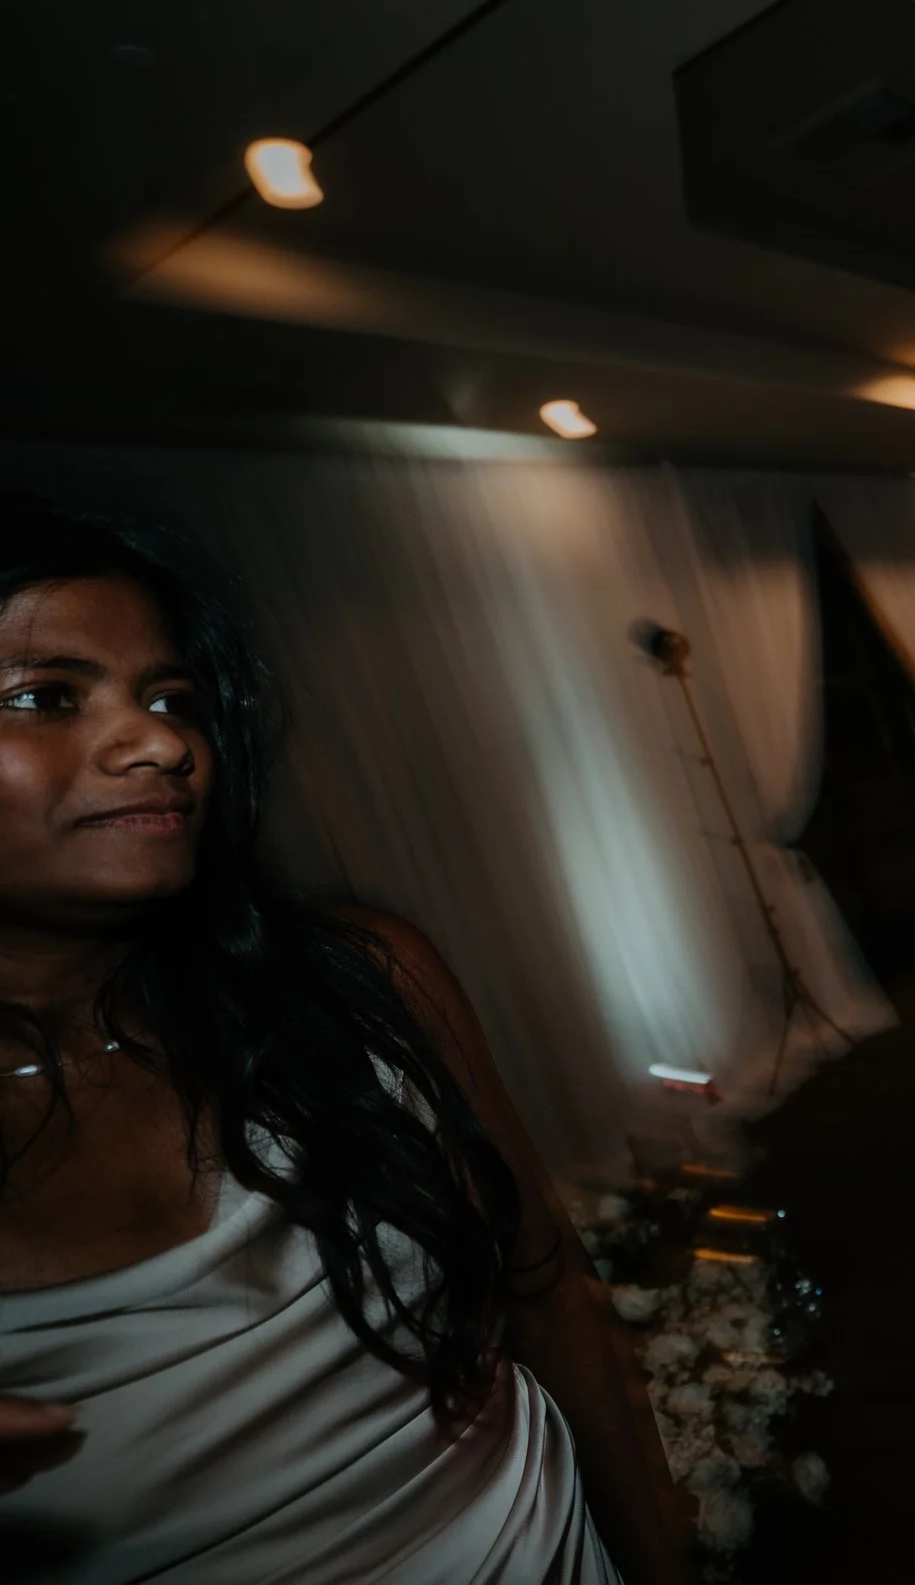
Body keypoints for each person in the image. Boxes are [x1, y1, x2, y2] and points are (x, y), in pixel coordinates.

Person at [0, 501, 695, 1584]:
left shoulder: (360, 982)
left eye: (169, 696)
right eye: (46, 696)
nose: (162, 741)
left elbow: (548, 1293)